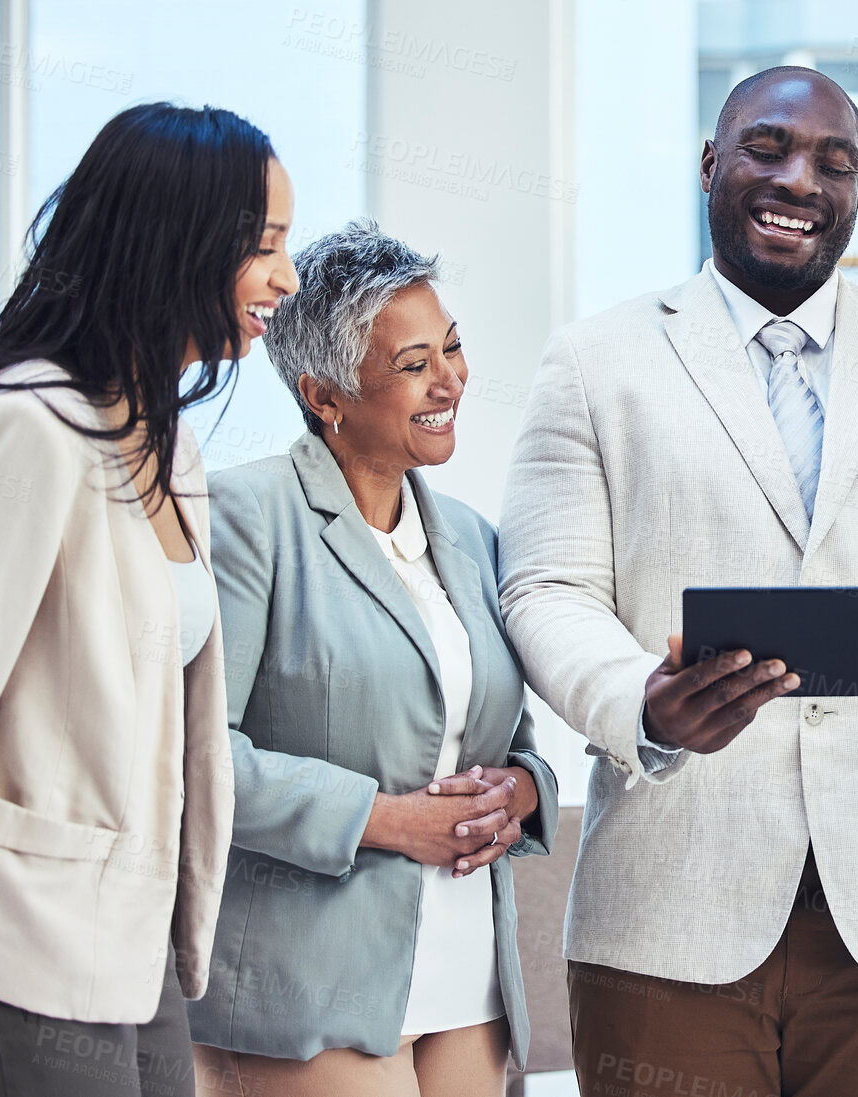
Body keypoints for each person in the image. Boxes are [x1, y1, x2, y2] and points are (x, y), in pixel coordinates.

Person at [498, 66, 858, 1097]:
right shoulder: (595, 361)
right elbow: (545, 587)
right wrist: (644, 702)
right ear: (710, 163)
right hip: (672, 911)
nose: (800, 179)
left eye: (835, 161)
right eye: (768, 148)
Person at [0, 102, 292, 1096]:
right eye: (264, 245)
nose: (285, 277)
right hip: (5, 935)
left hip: (130, 941)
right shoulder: (29, 427)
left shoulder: (168, 446)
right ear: (176, 242)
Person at [184, 221, 558, 1097]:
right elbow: (202, 757)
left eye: (454, 349)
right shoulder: (248, 516)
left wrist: (524, 790)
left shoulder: (470, 536)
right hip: (308, 988)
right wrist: (388, 820)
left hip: (469, 981)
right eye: (413, 363)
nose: (449, 381)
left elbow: (511, 737)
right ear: (326, 395)